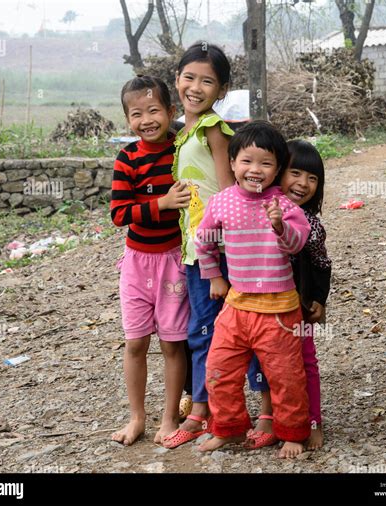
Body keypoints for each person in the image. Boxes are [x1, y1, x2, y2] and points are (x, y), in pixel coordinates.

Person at [195, 121, 312, 459]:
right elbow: (203, 243)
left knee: (286, 376)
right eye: (247, 161)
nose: (255, 170)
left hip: (279, 311)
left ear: (277, 170)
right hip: (237, 306)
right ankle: (227, 428)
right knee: (219, 370)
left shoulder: (285, 206)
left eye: (266, 163)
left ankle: (292, 433)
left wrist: (278, 225)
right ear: (232, 163)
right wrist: (215, 277)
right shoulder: (220, 203)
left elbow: (297, 243)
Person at [110, 75, 192, 446]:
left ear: (171, 111)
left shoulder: (182, 150)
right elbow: (119, 213)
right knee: (136, 342)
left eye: (154, 110)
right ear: (128, 118)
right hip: (137, 263)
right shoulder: (127, 159)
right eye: (136, 113)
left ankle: (170, 416)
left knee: (173, 344)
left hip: (174, 261)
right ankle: (137, 417)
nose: (146, 119)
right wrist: (160, 204)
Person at [162, 42, 236, 449]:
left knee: (206, 329)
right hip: (193, 248)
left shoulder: (212, 128)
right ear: (177, 79)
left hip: (214, 248)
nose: (195, 86)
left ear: (221, 90)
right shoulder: (184, 130)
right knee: (201, 328)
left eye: (207, 81)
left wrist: (227, 244)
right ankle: (208, 404)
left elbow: (227, 188)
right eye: (189, 77)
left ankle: (205, 410)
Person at [246, 139, 332, 451]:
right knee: (265, 361)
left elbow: (322, 263)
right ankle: (274, 416)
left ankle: (312, 421)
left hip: (298, 306)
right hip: (261, 304)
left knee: (305, 361)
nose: (303, 184)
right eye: (295, 173)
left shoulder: (311, 225)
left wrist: (319, 300)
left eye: (312, 178)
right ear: (279, 172)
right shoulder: (256, 210)